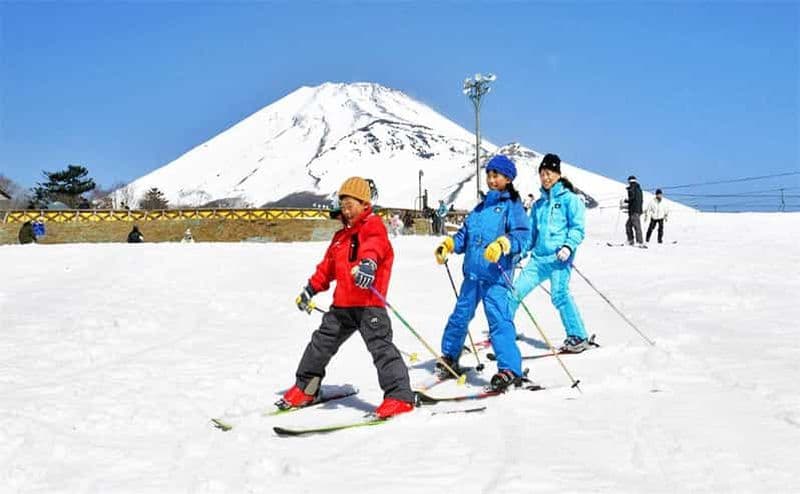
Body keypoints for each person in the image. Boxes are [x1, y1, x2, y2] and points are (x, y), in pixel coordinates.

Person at [279, 176, 415, 419]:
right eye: (342, 206)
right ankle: (306, 387)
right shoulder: (340, 238)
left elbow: (374, 246)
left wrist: (368, 265)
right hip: (341, 306)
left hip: (368, 306)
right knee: (320, 345)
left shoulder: (372, 226)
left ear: (364, 204)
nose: (346, 211)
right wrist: (310, 289)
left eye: (350, 205)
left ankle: (399, 396)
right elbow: (327, 268)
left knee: (382, 350)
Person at [434, 155, 531, 391]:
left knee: (498, 321)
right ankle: (450, 356)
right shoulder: (479, 208)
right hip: (473, 275)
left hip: (496, 277)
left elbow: (523, 235)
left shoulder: (512, 206)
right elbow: (464, 236)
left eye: (496, 174)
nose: (491, 178)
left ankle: (510, 369)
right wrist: (448, 245)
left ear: (508, 178)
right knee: (459, 316)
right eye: (488, 174)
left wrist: (503, 244)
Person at [510, 153, 592, 353]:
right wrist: (520, 252)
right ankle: (504, 332)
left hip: (559, 259)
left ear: (558, 174)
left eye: (549, 173)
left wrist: (568, 247)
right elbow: (532, 235)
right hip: (538, 260)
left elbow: (577, 228)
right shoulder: (539, 205)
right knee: (513, 293)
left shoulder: (570, 200)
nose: (546, 178)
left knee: (559, 295)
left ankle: (578, 336)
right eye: (542, 174)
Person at [623, 175, 644, 246]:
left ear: (629, 181)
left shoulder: (632, 188)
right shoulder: (639, 189)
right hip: (637, 210)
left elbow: (632, 197)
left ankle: (640, 242)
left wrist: (626, 200)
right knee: (628, 225)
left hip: (634, 211)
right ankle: (631, 240)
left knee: (636, 226)